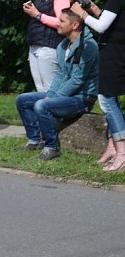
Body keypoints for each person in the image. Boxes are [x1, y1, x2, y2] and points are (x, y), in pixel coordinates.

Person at [15, 9, 98, 161]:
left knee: (42, 106)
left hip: (82, 98)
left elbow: (77, 80)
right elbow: (60, 74)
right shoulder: (63, 45)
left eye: (61, 21)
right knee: (23, 100)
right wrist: (51, 95)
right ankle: (35, 141)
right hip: (67, 95)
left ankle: (51, 147)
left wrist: (53, 98)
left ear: (74, 25)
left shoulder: (88, 47)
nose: (57, 23)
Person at [70, 0, 125, 172]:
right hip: (115, 53)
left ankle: (122, 152)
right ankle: (112, 147)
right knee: (110, 99)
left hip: (114, 55)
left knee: (107, 100)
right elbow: (110, 23)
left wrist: (81, 13)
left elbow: (101, 28)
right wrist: (92, 9)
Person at [21, 0, 73, 92]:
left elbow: (62, 23)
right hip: (35, 46)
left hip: (49, 48)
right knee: (40, 90)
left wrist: (38, 15)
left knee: (49, 91)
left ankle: (52, 113)